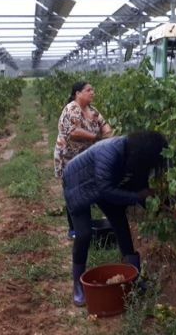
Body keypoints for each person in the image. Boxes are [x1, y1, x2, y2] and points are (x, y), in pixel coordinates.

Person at [63, 130, 168, 306]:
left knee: (120, 224)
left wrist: (157, 204)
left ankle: (133, 277)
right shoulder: (110, 152)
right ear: (143, 154)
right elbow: (107, 191)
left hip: (103, 185)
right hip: (77, 184)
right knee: (84, 234)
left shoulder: (134, 155)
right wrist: (137, 197)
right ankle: (77, 286)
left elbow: (138, 185)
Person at [54, 81, 113, 238]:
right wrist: (96, 138)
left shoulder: (92, 111)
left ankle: (85, 226)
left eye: (92, 90)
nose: (92, 92)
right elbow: (73, 132)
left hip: (86, 158)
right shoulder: (71, 109)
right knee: (73, 191)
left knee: (86, 189)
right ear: (77, 94)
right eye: (88, 90)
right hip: (68, 157)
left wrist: (110, 137)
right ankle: (73, 229)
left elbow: (105, 126)